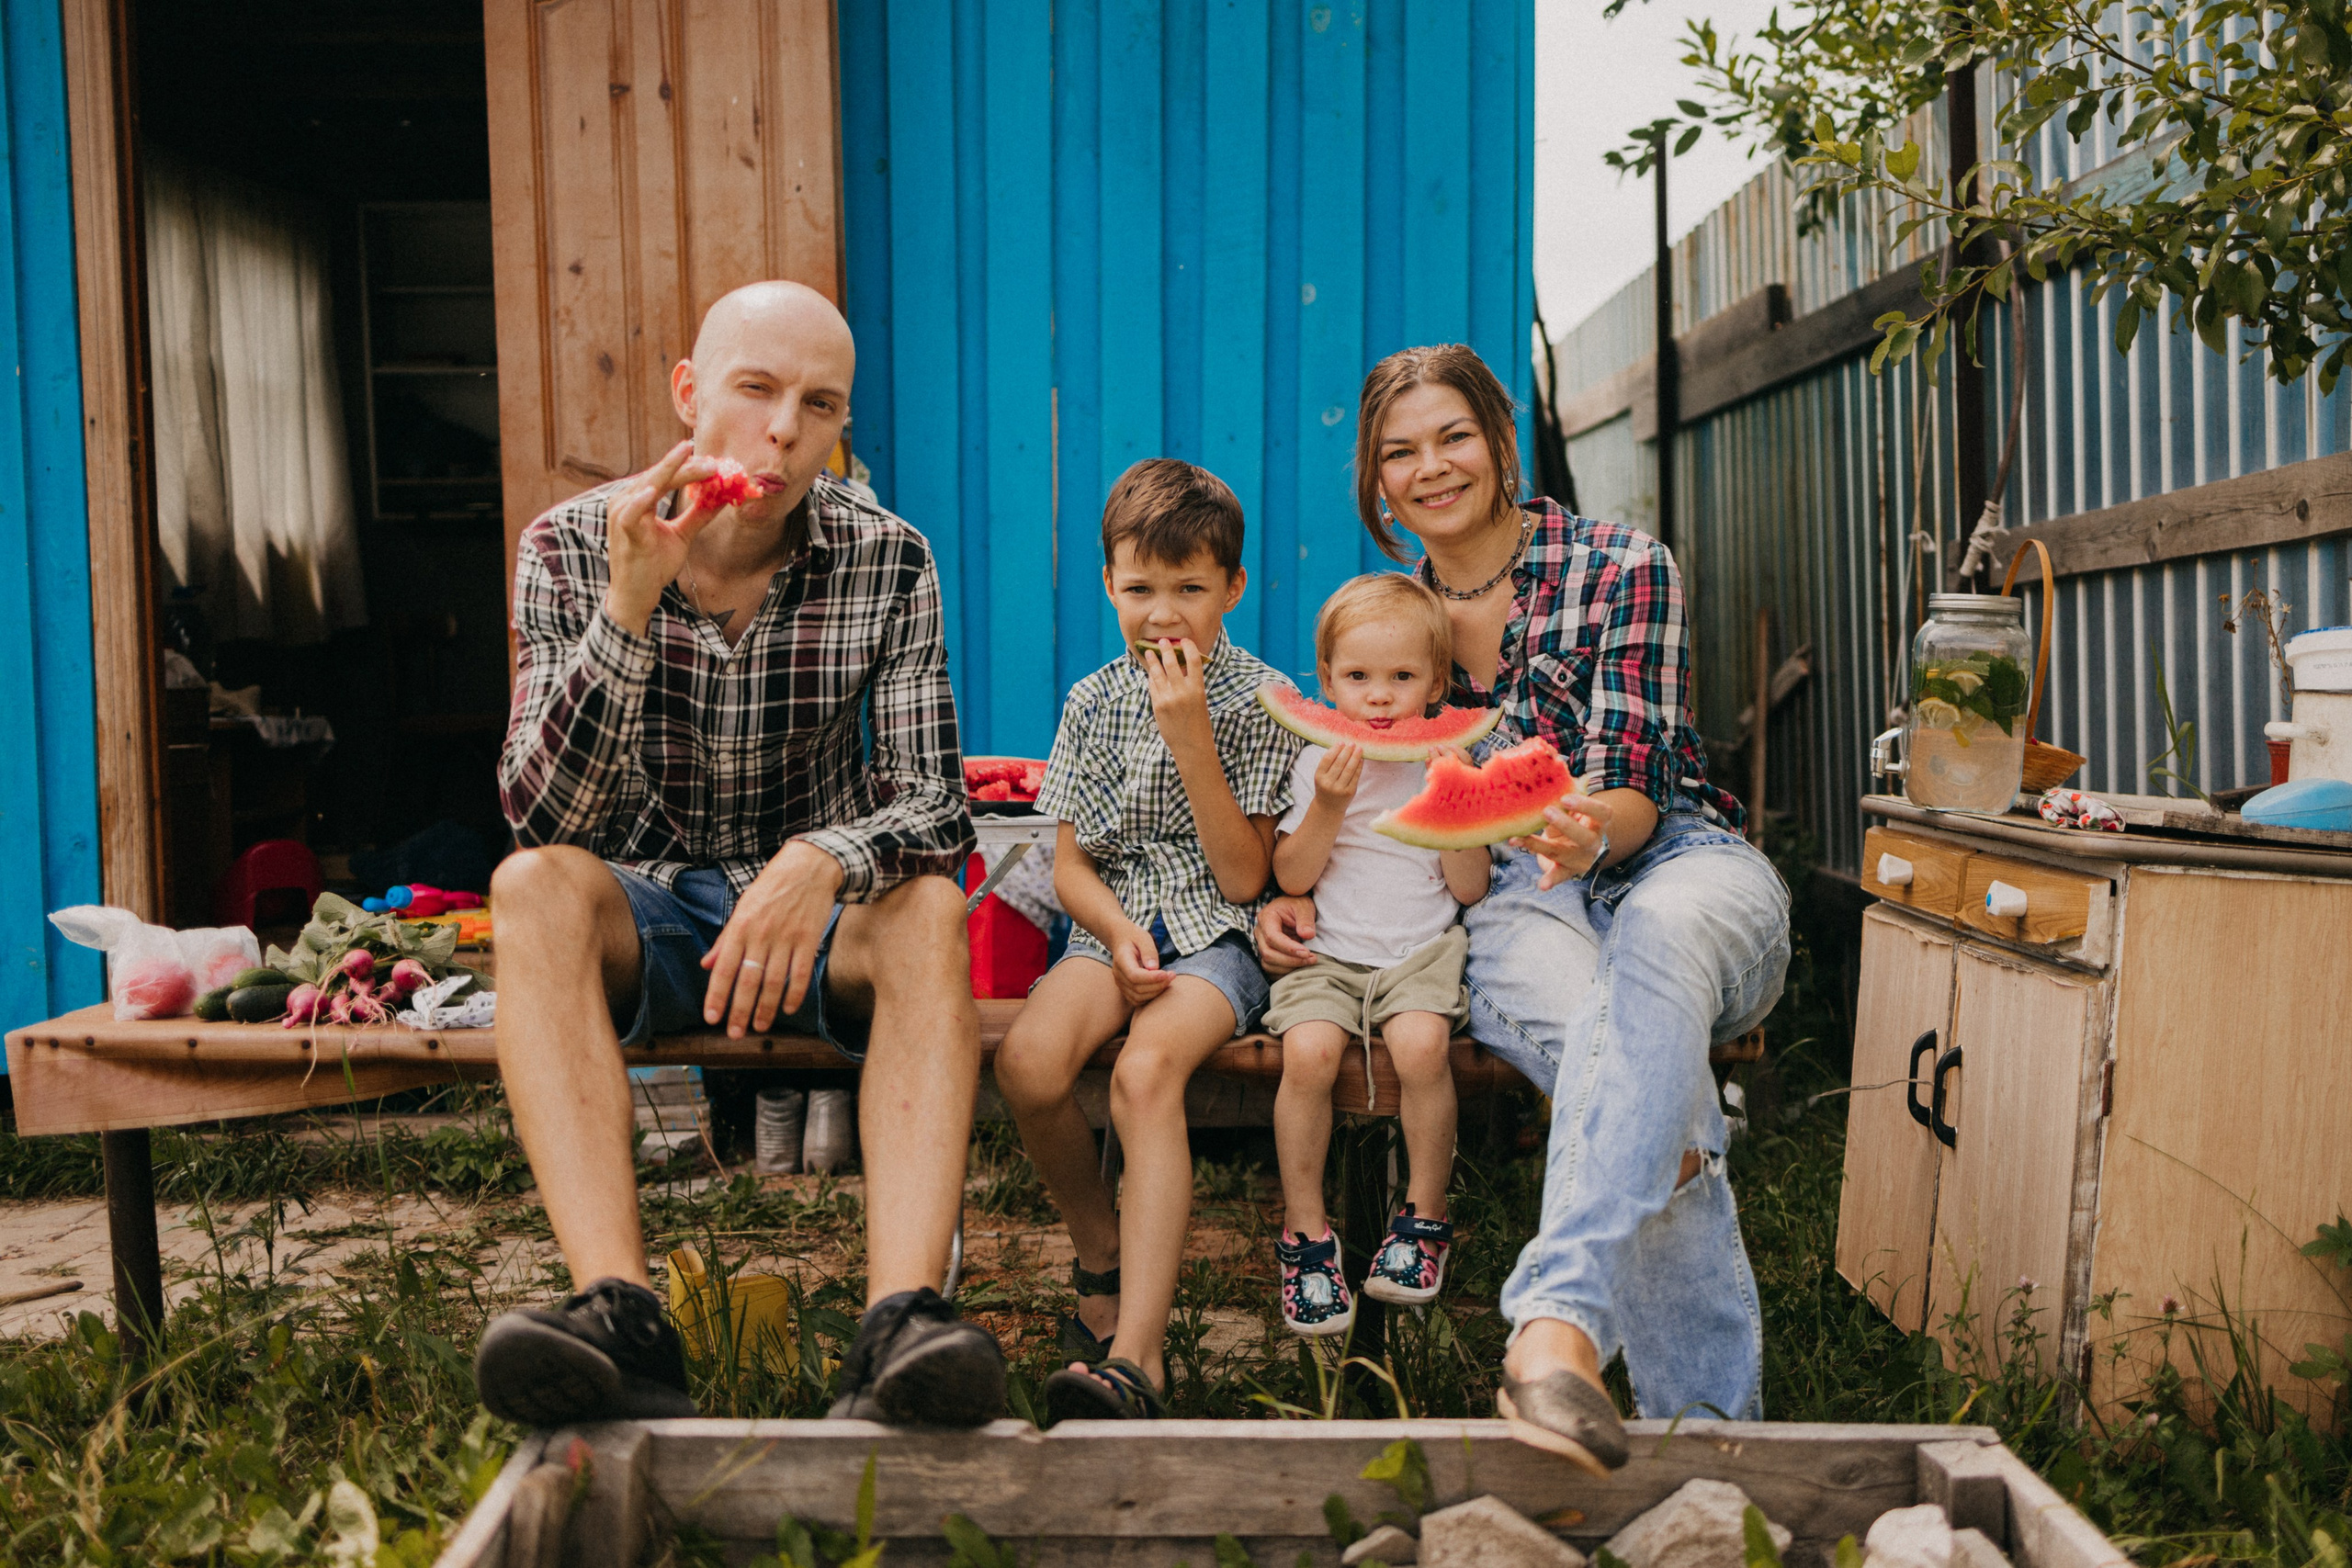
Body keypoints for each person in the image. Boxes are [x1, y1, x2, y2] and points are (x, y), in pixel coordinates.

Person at [471, 280, 1006, 1429]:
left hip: (814, 926)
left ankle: (900, 1324)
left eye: (819, 405)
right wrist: (627, 609)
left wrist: (820, 860)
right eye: (755, 391)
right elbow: (537, 812)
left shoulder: (889, 559)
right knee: (530, 889)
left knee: (926, 912)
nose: (782, 432)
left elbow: (932, 802)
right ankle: (619, 1315)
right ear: (689, 393)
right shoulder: (570, 545)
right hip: (642, 909)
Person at [1259, 344, 1790, 1475]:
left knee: (1652, 940)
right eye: (1397, 452)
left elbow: (1639, 780)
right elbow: (1357, 804)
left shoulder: (1620, 564)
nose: (1429, 468)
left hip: (1668, 858)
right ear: (1374, 478)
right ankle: (1709, 1452)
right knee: (1661, 1081)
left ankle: (1555, 1321)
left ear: (1502, 442)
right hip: (1504, 899)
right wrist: (1285, 899)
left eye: (1452, 436)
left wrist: (1590, 825)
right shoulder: (1390, 621)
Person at [992, 458, 1303, 1422]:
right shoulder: (1092, 701)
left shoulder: (1265, 699)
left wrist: (1191, 738)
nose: (1163, 614)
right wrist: (1116, 930)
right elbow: (1070, 865)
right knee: (1031, 1065)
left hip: (1221, 936)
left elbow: (1249, 877)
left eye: (1189, 590)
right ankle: (1101, 1249)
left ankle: (1137, 1355)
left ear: (1233, 591)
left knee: (1142, 1075)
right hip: (1122, 923)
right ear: (1108, 584)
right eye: (1139, 589)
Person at [1261, 573, 1489, 1338]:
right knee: (1308, 1056)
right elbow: (1292, 876)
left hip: (1420, 952)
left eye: (1402, 677)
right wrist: (1327, 804)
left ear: (1436, 684)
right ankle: (1306, 1232)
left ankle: (1424, 1216)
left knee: (1424, 1046)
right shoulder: (1313, 767)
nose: (1381, 698)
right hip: (1329, 956)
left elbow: (1471, 885)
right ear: (1326, 683)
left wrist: (1457, 809)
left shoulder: (1447, 765)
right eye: (1359, 678)